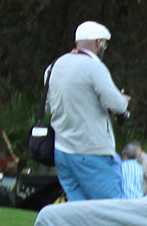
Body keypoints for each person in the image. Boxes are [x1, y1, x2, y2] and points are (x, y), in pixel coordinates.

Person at [47, 21, 130, 201]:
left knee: (78, 211)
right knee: (110, 207)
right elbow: (118, 105)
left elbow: (50, 104)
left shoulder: (54, 66)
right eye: (104, 44)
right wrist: (122, 100)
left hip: (62, 150)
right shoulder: (93, 67)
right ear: (98, 42)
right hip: (92, 151)